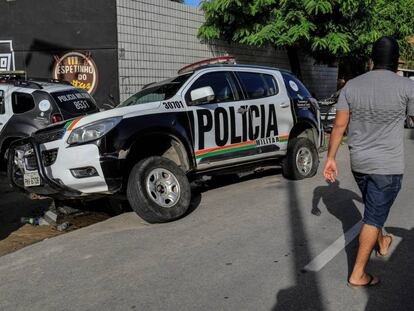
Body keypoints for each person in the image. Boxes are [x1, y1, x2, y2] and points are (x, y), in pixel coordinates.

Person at [323, 36, 414, 287]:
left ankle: (382, 242)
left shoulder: (352, 86)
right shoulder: (407, 86)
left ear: (373, 59)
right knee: (373, 216)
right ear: (396, 60)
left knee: (374, 207)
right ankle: (358, 273)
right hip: (388, 166)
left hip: (359, 163)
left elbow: (339, 125)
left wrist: (330, 158)